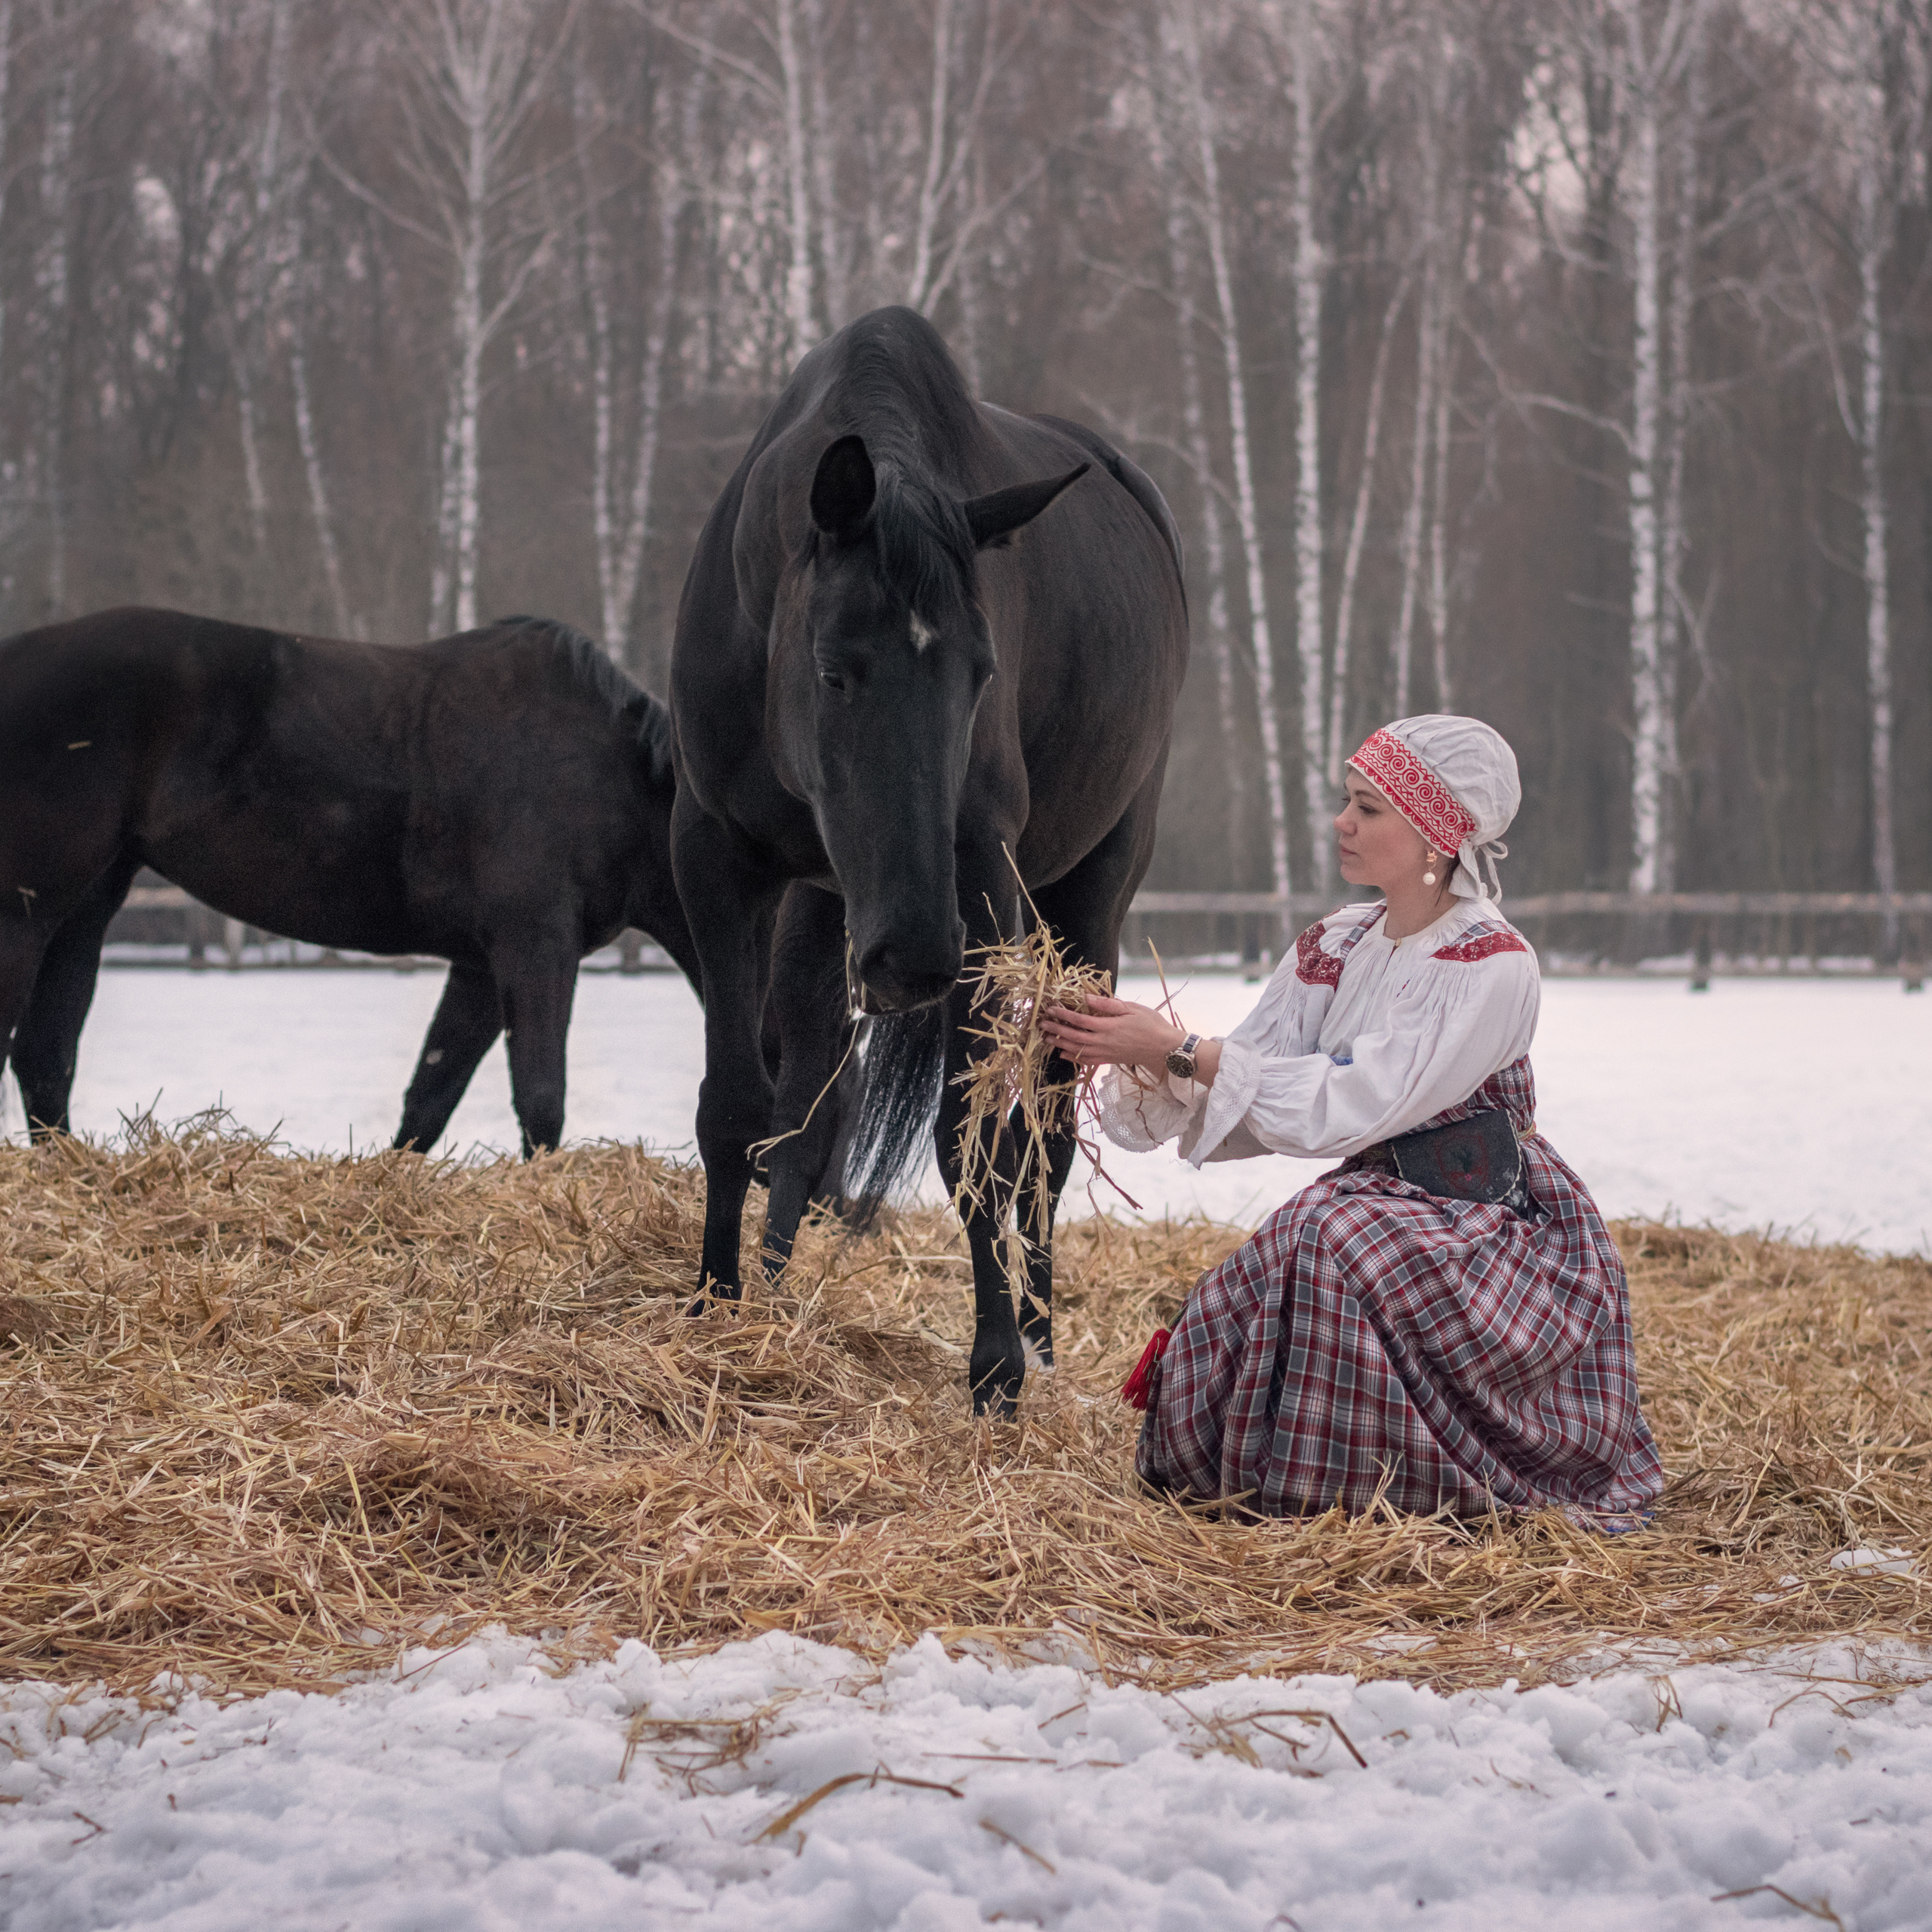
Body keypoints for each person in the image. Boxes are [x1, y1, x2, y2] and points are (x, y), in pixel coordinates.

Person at [1039, 715, 1664, 1524]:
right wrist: (1136, 1050)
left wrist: (1181, 1050)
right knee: (1298, 1245)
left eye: (1369, 809)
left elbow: (1352, 1102)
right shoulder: (1338, 941)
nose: (1342, 821)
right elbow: (1251, 1066)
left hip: (1486, 1221)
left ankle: (1355, 1495)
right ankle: (1251, 1478)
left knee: (1327, 1239)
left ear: (1436, 831)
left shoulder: (1489, 962)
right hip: (1378, 1202)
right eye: (1347, 800)